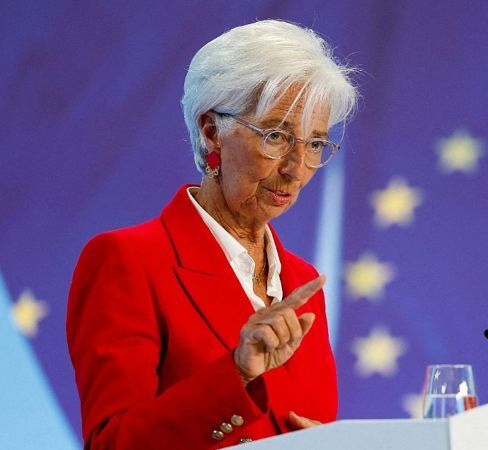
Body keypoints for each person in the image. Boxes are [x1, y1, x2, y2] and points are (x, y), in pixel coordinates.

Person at [66, 19, 357, 449]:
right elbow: (112, 444)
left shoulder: (302, 281)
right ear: (211, 131)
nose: (296, 169)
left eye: (314, 144)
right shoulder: (127, 260)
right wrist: (235, 373)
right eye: (276, 136)